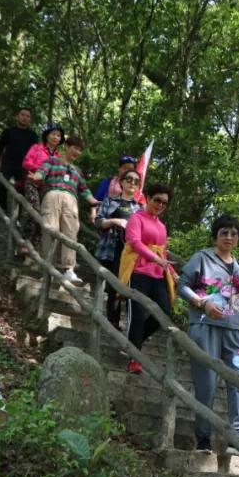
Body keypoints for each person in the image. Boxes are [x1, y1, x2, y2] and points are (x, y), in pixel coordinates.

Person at [178, 215, 239, 455]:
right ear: (216, 236)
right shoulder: (202, 258)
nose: (229, 237)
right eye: (224, 233)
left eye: (233, 234)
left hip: (234, 333)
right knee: (206, 383)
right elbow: (182, 286)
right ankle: (202, 438)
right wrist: (202, 303)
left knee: (238, 381)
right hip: (204, 326)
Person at [28, 136, 101, 285]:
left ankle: (69, 270)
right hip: (52, 195)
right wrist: (36, 176)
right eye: (75, 148)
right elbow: (42, 172)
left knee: (70, 232)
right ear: (67, 146)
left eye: (80, 150)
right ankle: (48, 269)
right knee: (50, 230)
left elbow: (84, 190)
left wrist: (94, 201)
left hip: (71, 200)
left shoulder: (77, 171)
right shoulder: (52, 161)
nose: (77, 152)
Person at [122, 183, 176, 353]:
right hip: (137, 271)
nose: (160, 205)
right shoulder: (136, 218)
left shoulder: (162, 226)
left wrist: (173, 274)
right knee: (137, 315)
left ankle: (132, 344)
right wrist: (154, 258)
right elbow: (134, 242)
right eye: (157, 200)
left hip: (158, 274)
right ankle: (134, 357)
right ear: (148, 198)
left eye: (164, 203)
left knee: (164, 313)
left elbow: (163, 253)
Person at [93, 171, 145, 327]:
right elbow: (98, 222)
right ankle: (109, 321)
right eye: (129, 179)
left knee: (125, 288)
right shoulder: (109, 201)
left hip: (130, 254)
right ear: (121, 183)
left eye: (136, 181)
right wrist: (115, 221)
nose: (132, 183)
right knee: (110, 287)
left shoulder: (141, 209)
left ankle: (121, 325)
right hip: (110, 249)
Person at [21, 123, 64, 249]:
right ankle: (25, 242)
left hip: (47, 188)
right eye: (53, 134)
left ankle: (35, 246)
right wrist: (41, 171)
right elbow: (26, 162)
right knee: (34, 211)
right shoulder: (36, 148)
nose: (56, 137)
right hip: (32, 183)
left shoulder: (58, 156)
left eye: (58, 135)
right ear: (47, 135)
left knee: (44, 215)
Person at [0, 108, 36, 217]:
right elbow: (0, 146)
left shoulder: (33, 135)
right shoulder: (9, 132)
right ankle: (2, 210)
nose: (24, 118)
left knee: (21, 191)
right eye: (22, 115)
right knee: (2, 183)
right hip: (8, 163)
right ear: (17, 116)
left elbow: (36, 153)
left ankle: (17, 216)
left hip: (24, 166)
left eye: (27, 116)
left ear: (30, 119)